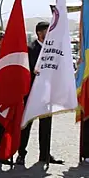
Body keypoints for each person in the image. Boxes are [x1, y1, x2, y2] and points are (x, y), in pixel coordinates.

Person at [19, 22, 64, 165]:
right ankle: (21, 153)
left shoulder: (53, 49)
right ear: (39, 33)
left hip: (47, 93)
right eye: (47, 31)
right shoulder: (30, 49)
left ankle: (44, 154)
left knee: (46, 125)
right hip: (31, 93)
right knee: (26, 124)